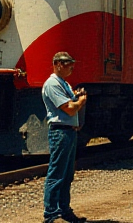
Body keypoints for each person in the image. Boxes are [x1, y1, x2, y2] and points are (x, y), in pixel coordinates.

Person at [42, 51, 88, 223]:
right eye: (68, 64)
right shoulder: (52, 84)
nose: (71, 68)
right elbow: (69, 108)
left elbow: (71, 103)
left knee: (67, 174)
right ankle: (51, 214)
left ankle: (64, 210)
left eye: (71, 65)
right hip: (60, 132)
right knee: (57, 174)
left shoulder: (64, 83)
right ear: (57, 64)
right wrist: (80, 102)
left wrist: (76, 97)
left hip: (68, 132)